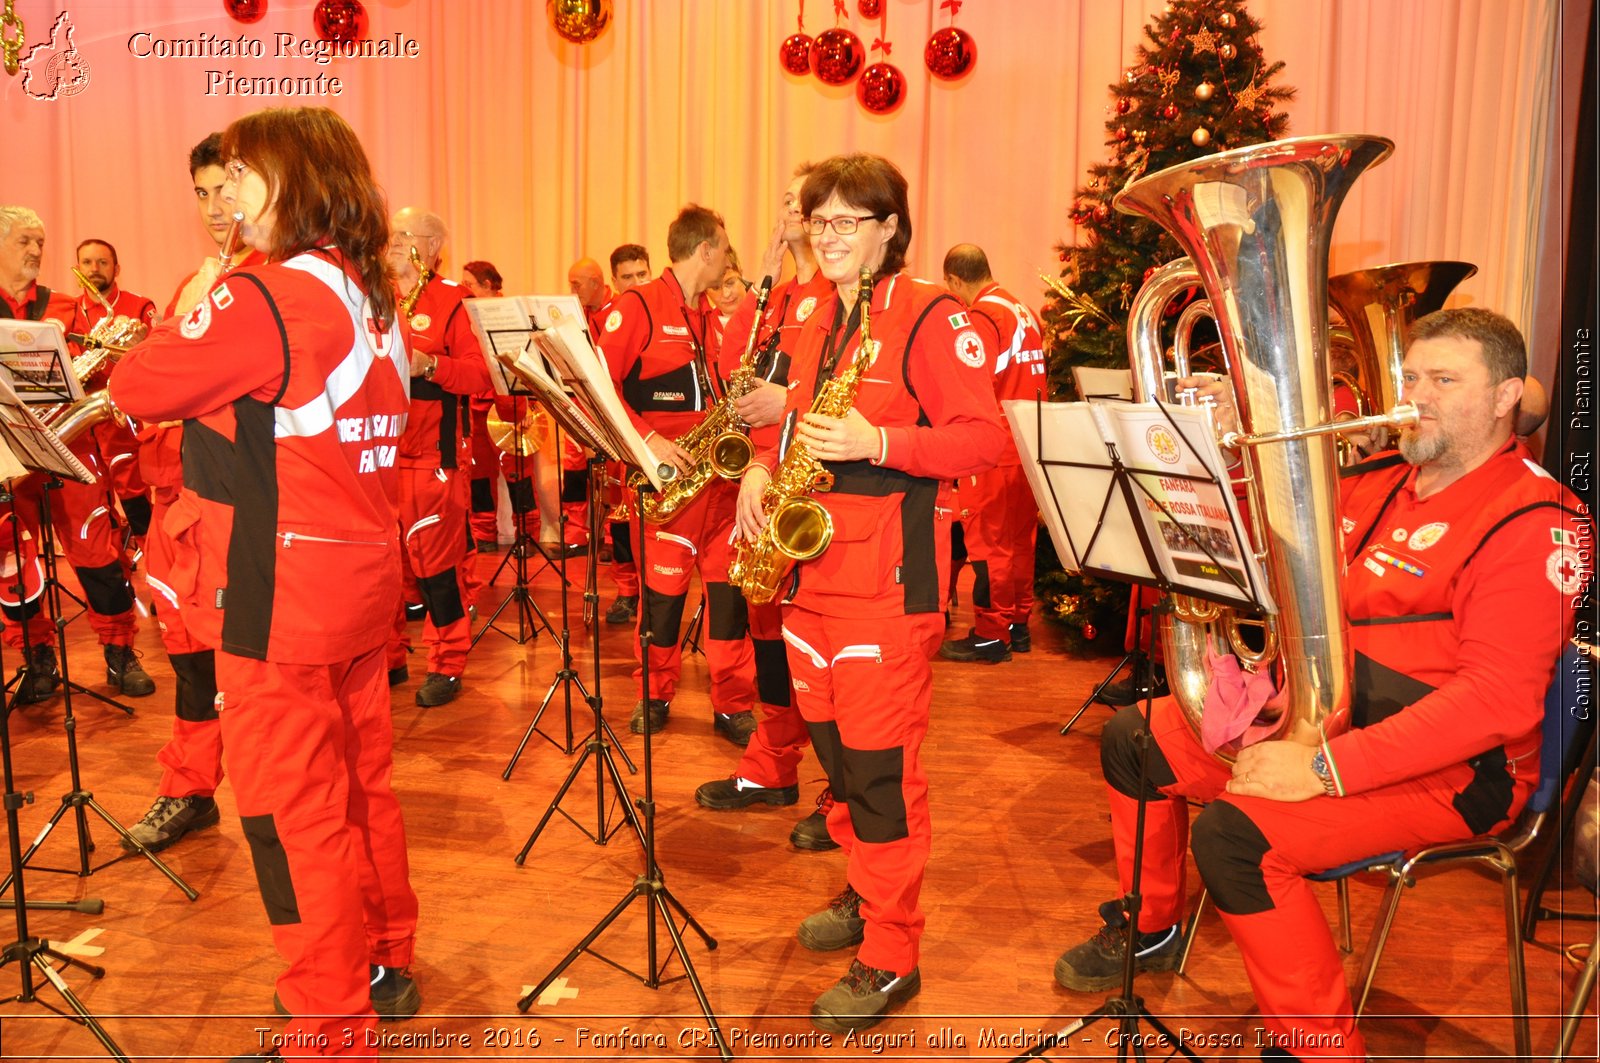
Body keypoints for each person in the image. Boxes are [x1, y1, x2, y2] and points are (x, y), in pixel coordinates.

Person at [1053, 308, 1589, 1059]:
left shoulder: (1535, 517)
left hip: (1457, 769)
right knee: (1135, 740)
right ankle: (1154, 927)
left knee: (1235, 838)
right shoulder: (1373, 481)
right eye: (1411, 377)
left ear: (1504, 398)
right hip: (1330, 715)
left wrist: (1321, 768)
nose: (1417, 395)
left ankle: (1318, 1048)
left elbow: (1496, 703)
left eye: (1444, 380)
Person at [107, 106, 421, 1058]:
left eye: (242, 177)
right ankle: (386, 957)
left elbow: (137, 387)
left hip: (280, 596)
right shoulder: (369, 289)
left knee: (292, 817)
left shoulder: (266, 295)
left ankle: (329, 1025)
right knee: (363, 788)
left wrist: (203, 291)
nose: (228, 198)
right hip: (361, 582)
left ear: (289, 182)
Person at [733, 153, 1006, 1030]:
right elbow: (798, 419)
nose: (830, 237)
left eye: (850, 222)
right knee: (842, 767)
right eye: (820, 222)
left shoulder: (931, 316)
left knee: (884, 778)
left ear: (891, 228)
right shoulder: (816, 311)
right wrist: (759, 467)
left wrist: (879, 441)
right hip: (809, 576)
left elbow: (983, 440)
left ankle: (893, 953)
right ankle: (864, 889)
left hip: (886, 588)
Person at [120, 131, 269, 854]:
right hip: (171, 501)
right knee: (184, 652)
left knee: (233, 664)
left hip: (229, 504)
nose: (215, 207)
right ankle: (189, 787)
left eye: (226, 190)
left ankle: (265, 801)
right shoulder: (198, 277)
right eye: (203, 194)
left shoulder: (268, 279)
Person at [694, 162, 840, 851]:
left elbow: (840, 387)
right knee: (766, 631)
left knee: (819, 648)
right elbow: (735, 364)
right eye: (783, 200)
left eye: (795, 201)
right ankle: (774, 762)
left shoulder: (839, 291)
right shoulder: (780, 294)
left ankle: (843, 790)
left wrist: (785, 410)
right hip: (764, 479)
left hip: (818, 486)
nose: (785, 210)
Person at [597, 205, 757, 740]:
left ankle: (732, 702)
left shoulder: (711, 314)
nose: (729, 259)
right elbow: (600, 388)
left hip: (721, 485)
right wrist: (649, 440)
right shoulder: (638, 306)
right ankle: (654, 693)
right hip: (669, 484)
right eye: (724, 247)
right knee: (662, 603)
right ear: (706, 250)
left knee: (730, 604)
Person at [0, 206, 154, 702]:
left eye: (40, 242)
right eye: (25, 240)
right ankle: (37, 659)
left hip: (72, 452)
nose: (35, 251)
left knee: (96, 554)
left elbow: (111, 372)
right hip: (7, 457)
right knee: (14, 567)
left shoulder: (71, 305)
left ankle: (119, 652)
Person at [385, 208, 492, 707]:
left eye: (403, 235)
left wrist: (428, 365)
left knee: (435, 570)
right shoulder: (371, 293)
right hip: (376, 456)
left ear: (429, 248)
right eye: (390, 234)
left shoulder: (454, 301)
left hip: (434, 456)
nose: (391, 242)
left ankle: (447, 663)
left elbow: (479, 377)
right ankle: (388, 658)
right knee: (383, 567)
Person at [937, 243, 1046, 664]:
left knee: (989, 546)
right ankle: (1017, 624)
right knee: (1020, 541)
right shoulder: (1021, 310)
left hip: (997, 448)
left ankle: (990, 632)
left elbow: (972, 382)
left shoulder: (983, 316)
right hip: (1028, 443)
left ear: (956, 281)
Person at [70, 239, 159, 560]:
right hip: (80, 429)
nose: (94, 270)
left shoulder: (139, 306)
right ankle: (116, 576)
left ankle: (157, 569)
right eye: (87, 262)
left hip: (123, 423)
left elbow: (158, 363)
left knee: (136, 503)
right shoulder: (66, 311)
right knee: (96, 508)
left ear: (117, 268)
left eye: (102, 263)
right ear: (77, 268)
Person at [601, 242, 653, 624]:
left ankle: (649, 594)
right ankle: (626, 591)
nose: (636, 283)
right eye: (628, 277)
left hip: (650, 437)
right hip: (621, 439)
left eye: (642, 274)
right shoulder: (612, 319)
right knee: (620, 522)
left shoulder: (658, 309)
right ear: (615, 282)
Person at [460, 259, 505, 552]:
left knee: (517, 474)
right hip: (476, 403)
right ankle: (484, 531)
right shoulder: (464, 314)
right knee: (480, 475)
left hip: (506, 404)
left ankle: (528, 532)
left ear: (487, 285)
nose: (464, 291)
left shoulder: (509, 311)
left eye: (469, 285)